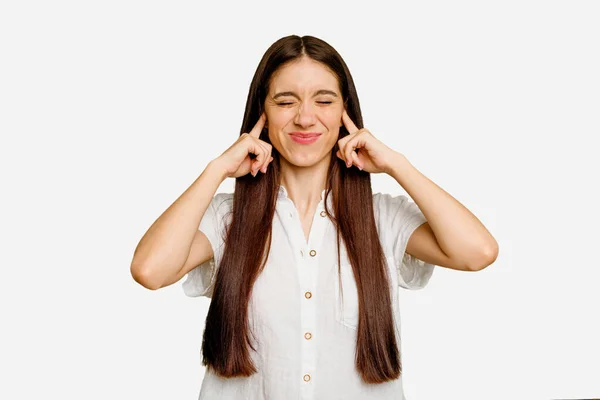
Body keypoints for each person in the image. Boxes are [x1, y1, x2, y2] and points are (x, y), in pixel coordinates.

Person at [130, 34, 498, 400]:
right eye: (286, 101)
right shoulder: (227, 217)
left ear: (345, 113)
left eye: (324, 100)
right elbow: (150, 270)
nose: (305, 118)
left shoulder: (382, 217)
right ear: (263, 111)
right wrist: (216, 170)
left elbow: (477, 252)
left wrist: (396, 164)